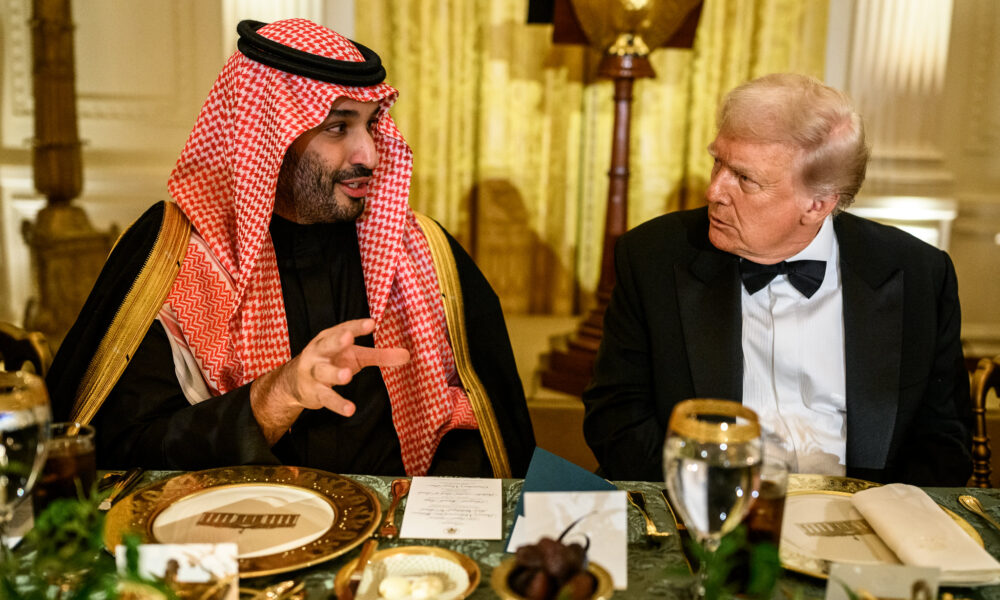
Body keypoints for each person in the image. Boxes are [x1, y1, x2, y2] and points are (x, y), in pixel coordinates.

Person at [46, 18, 535, 478]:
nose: (368, 154)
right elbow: (123, 453)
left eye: (371, 125)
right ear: (267, 135)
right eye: (338, 127)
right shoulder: (174, 258)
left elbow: (484, 430)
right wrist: (272, 397)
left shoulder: (421, 253)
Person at [582, 73, 971, 485]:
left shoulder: (918, 275)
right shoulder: (654, 257)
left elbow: (944, 440)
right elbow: (616, 417)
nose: (714, 191)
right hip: (706, 504)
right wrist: (713, 502)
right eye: (718, 162)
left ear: (817, 204)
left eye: (745, 179)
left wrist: (876, 512)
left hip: (860, 508)